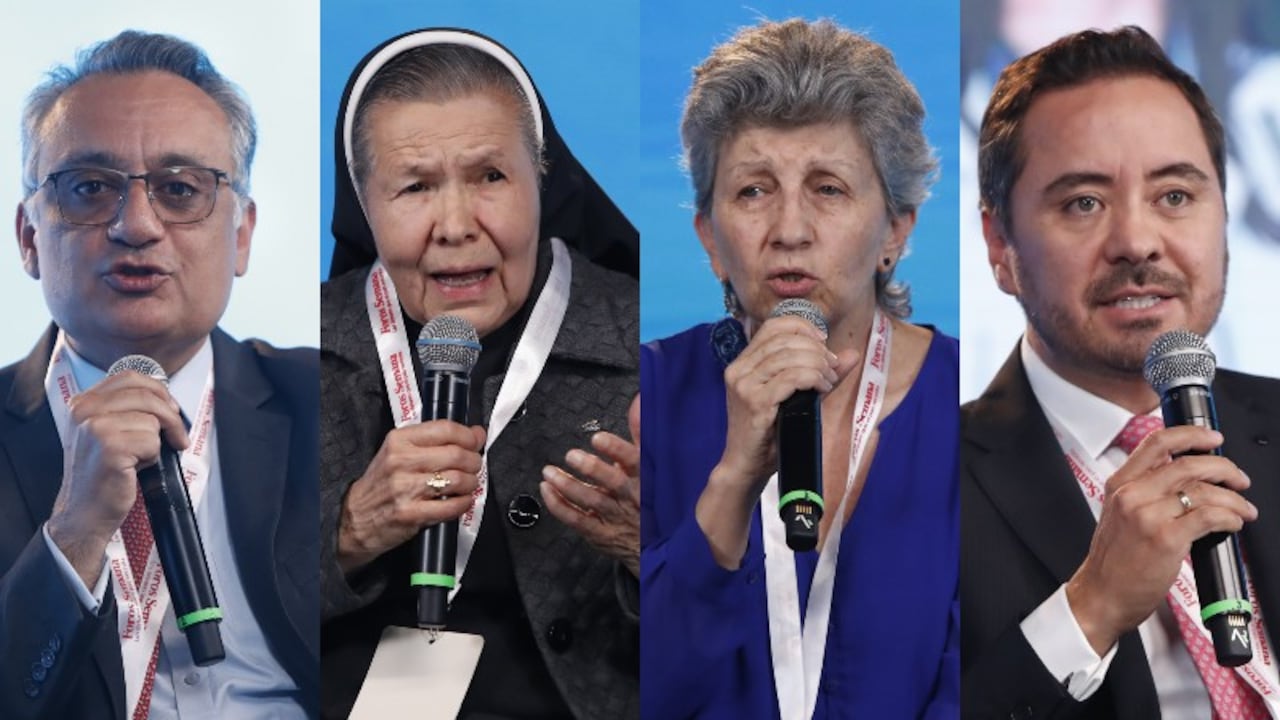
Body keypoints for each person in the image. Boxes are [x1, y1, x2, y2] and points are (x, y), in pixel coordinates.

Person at [641, 18, 959, 719]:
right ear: (709, 239)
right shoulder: (644, 395)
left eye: (828, 188)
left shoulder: (975, 407)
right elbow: (637, 683)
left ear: (896, 230)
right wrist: (730, 484)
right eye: (753, 191)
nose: (789, 229)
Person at [318, 29, 640, 719]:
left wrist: (660, 551)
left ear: (542, 178)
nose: (456, 225)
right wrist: (347, 533)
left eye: (490, 176)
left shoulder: (655, 345)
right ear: (363, 204)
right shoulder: (292, 358)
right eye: (414, 186)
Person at [963, 25, 1280, 719]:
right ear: (999, 245)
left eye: (1175, 196)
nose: (1137, 242)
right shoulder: (917, 476)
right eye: (1084, 203)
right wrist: (1091, 608)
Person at [0, 31, 318, 719]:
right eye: (90, 188)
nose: (136, 224)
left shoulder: (330, 396)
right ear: (29, 239)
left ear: (241, 236)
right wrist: (75, 532)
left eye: (180, 190)